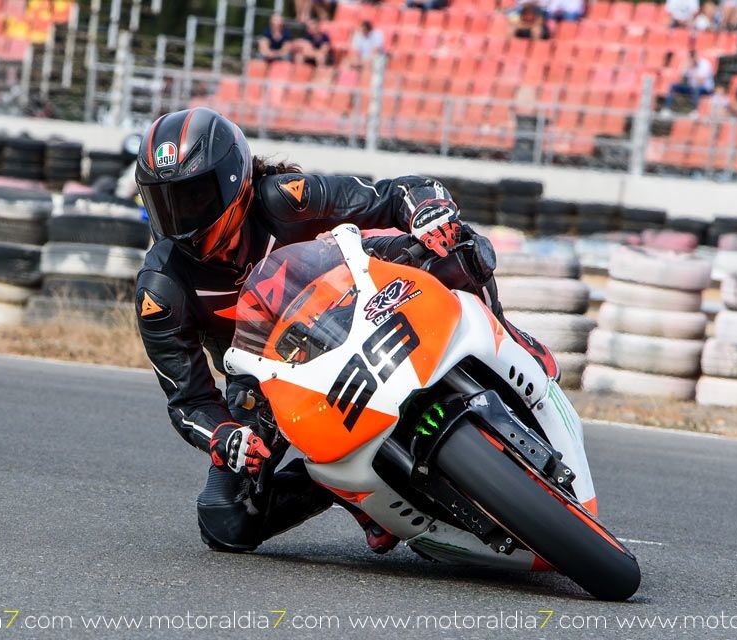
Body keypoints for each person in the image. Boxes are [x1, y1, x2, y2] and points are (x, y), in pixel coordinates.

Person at [133, 107, 560, 555]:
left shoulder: (284, 198)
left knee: (457, 247)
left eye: (193, 197)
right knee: (226, 518)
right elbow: (189, 402)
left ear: (233, 180)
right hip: (271, 377)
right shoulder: (161, 289)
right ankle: (352, 488)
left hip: (358, 296)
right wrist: (224, 436)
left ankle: (510, 340)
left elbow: (391, 195)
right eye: (165, 202)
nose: (180, 218)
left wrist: (426, 210)